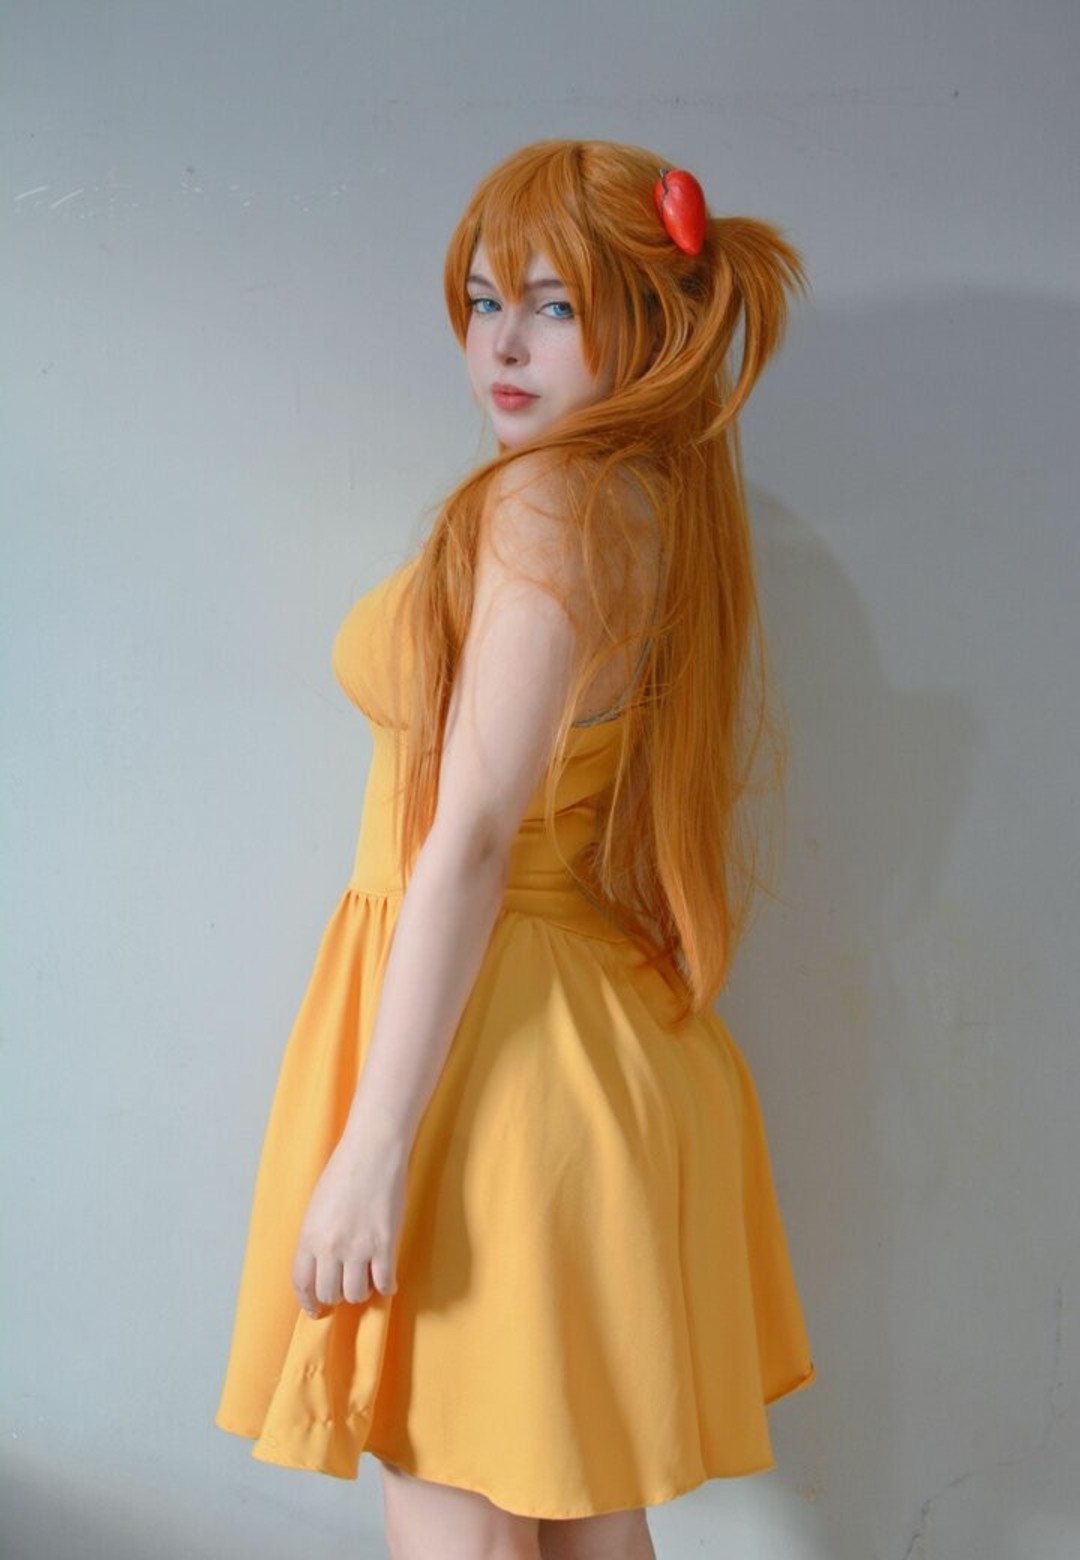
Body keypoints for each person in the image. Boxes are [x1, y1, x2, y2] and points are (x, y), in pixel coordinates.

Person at [214, 138, 816, 1560]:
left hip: (494, 1061)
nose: (502, 342)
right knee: (584, 1528)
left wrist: (374, 1146)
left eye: (554, 305)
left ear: (647, 317)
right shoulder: (653, 503)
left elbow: (476, 829)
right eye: (486, 300)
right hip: (565, 1042)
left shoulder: (550, 502)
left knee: (466, 1520)